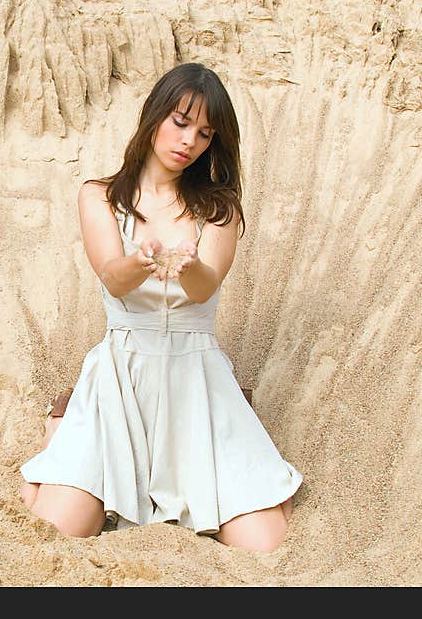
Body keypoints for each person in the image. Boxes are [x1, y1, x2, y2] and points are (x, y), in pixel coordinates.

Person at [18, 62, 303, 552]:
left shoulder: (219, 207)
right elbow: (111, 273)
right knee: (60, 528)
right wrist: (142, 260)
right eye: (180, 121)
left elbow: (204, 286)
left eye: (205, 133)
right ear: (154, 115)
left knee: (264, 543)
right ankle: (63, 426)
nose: (189, 140)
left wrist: (187, 265)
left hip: (195, 375)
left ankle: (236, 411)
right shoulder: (100, 196)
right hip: (122, 374)